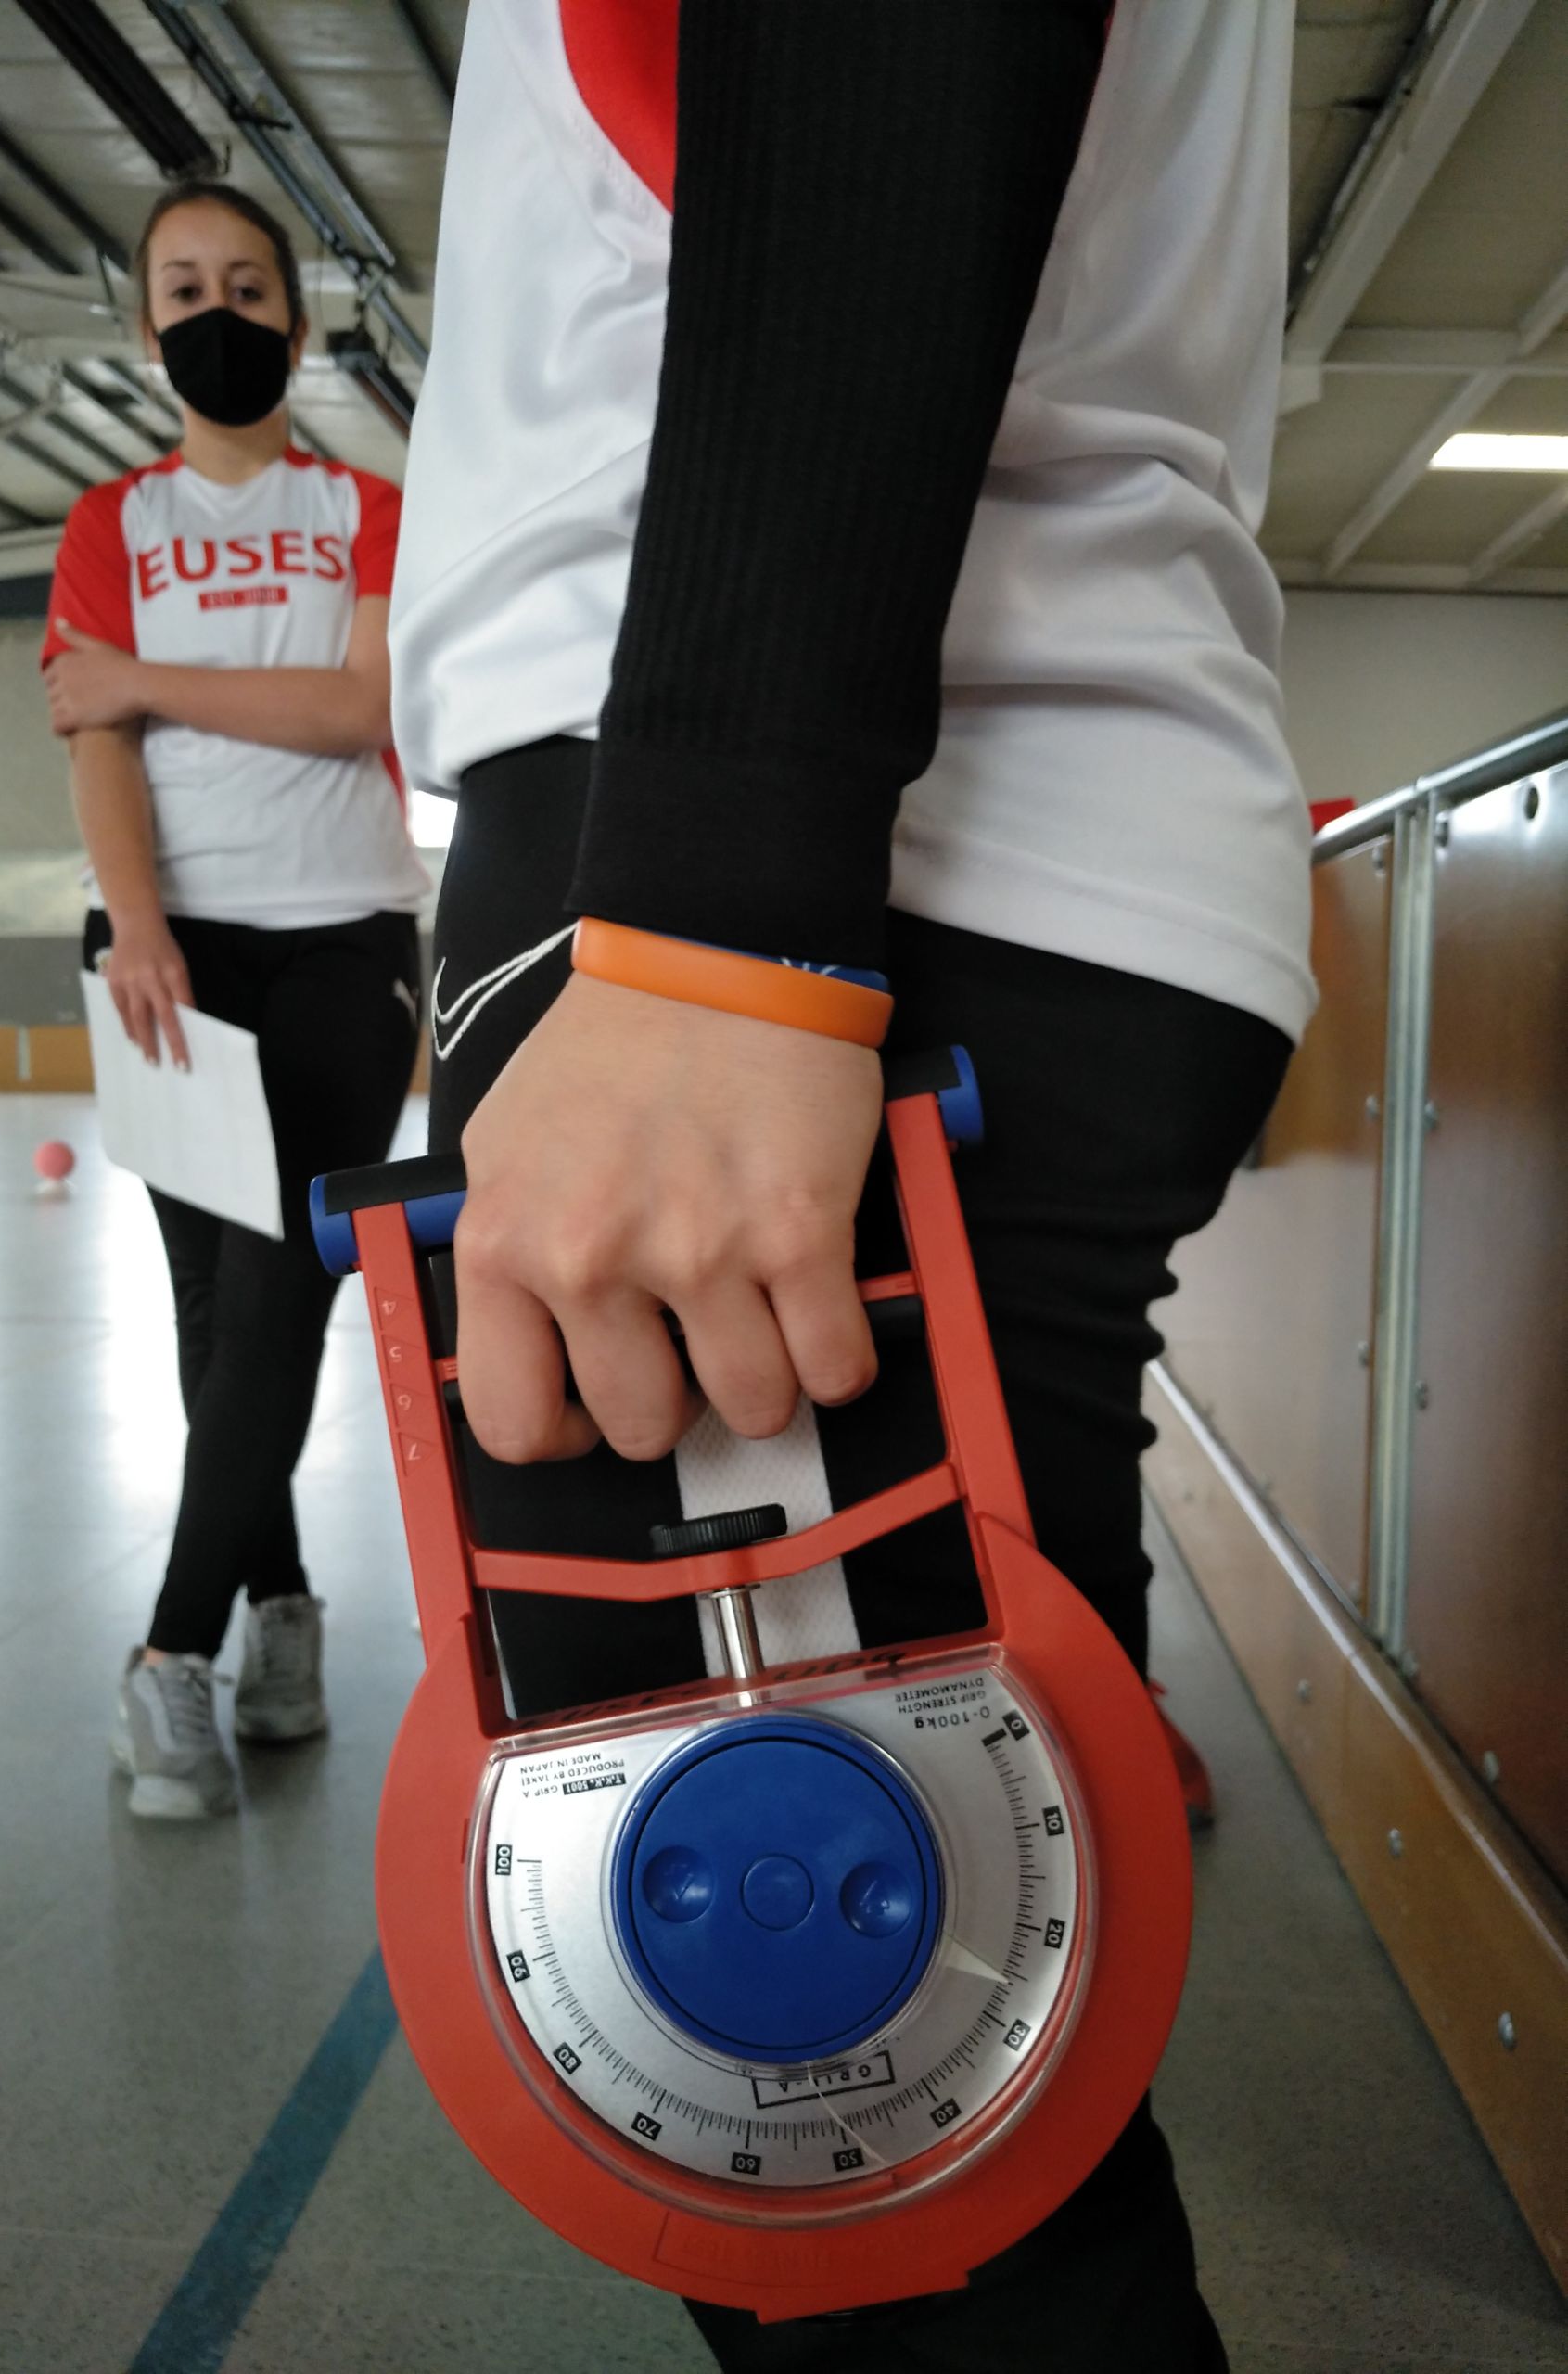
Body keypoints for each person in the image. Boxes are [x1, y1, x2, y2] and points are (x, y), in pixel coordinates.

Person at [391, 2, 1312, 2366]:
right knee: (919, 2162)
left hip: (803, 845)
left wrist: (724, 911)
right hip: (925, 820)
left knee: (876, 2200)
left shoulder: (740, 889)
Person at [42, 181, 427, 1821]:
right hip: (168, 950)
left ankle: (169, 1657)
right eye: (186, 287)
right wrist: (137, 929)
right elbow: (96, 745)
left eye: (249, 285)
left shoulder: (370, 508)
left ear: (296, 319)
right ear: (150, 329)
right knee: (214, 1312)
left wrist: (142, 677)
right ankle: (283, 1621)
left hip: (343, 940)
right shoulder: (106, 526)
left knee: (280, 1289)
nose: (219, 311)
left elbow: (358, 708)